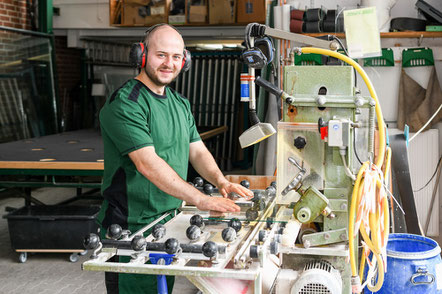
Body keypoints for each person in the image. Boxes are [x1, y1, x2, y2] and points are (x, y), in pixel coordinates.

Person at [97, 23, 253, 294]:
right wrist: (202, 199)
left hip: (167, 220)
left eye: (177, 56)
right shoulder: (126, 103)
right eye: (161, 55)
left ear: (186, 60)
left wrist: (220, 181)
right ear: (141, 55)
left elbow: (198, 150)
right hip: (131, 228)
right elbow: (148, 164)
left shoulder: (179, 103)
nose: (170, 63)